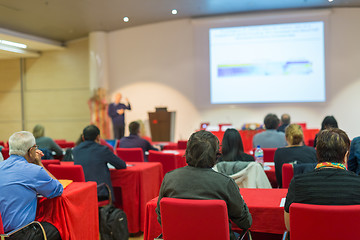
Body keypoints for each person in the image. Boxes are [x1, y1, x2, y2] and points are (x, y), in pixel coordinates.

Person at [156, 130, 252, 240]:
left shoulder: (169, 178)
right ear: (216, 156)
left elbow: (161, 216)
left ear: (187, 152)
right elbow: (245, 222)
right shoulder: (225, 183)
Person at [284, 128, 360, 231]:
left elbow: (290, 227)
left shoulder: (298, 183)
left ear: (317, 153)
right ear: (345, 156)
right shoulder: (357, 184)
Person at [0, 131, 63, 239]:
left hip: (2, 233)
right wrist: (39, 163)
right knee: (55, 229)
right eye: (35, 147)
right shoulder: (34, 171)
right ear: (31, 150)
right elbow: (58, 189)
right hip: (19, 233)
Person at [73, 125, 126, 200]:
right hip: (100, 193)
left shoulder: (76, 150)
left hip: (81, 192)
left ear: (83, 137)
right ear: (98, 137)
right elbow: (122, 165)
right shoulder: (102, 150)